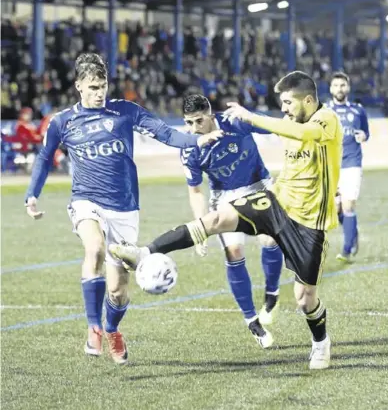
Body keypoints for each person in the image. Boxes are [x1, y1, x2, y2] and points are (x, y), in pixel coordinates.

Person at [110, 71, 343, 370]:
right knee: (216, 219)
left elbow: (304, 135)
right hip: (276, 204)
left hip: (310, 222)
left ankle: (320, 342)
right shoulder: (283, 123)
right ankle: (147, 251)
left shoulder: (326, 119)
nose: (283, 109)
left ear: (308, 100)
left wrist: (249, 117)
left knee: (304, 298)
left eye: (287, 102)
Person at [24, 53, 222, 365]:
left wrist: (197, 141)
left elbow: (165, 132)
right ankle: (93, 327)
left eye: (102, 85)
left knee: (117, 290)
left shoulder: (125, 111)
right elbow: (45, 157)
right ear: (78, 86)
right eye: (92, 86)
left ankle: (112, 329)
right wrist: (32, 194)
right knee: (95, 249)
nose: (98, 91)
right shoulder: (63, 122)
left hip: (125, 207)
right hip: (85, 199)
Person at [180, 94, 283, 349]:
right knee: (234, 252)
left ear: (211, 115)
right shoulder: (189, 148)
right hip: (224, 196)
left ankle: (272, 294)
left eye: (198, 121)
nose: (193, 128)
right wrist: (201, 226)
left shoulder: (235, 122)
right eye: (188, 123)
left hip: (258, 184)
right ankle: (252, 322)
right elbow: (195, 191)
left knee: (270, 239)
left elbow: (273, 126)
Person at [327, 72, 370, 262]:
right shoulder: (324, 111)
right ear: (331, 89)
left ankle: (347, 249)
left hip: (352, 163)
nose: (339, 89)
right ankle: (353, 233)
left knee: (348, 204)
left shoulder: (358, 110)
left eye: (342, 85)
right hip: (331, 165)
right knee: (336, 209)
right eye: (336, 85)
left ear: (348, 88)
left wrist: (363, 137)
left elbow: (365, 133)